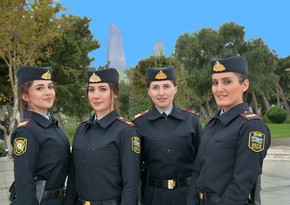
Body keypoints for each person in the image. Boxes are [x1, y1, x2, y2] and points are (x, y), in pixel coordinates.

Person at [187, 55, 271, 205]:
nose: (219, 89)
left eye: (227, 81)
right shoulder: (213, 123)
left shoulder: (251, 127)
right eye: (215, 83)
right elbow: (198, 171)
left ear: (244, 85)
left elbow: (241, 185)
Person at [64, 68, 140, 205]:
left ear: (115, 93)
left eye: (103, 89)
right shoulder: (82, 129)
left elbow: (131, 184)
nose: (95, 95)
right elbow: (73, 179)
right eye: (91, 89)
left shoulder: (125, 131)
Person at [132, 66, 203, 205]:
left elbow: (202, 161)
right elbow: (134, 166)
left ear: (175, 89)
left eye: (166, 86)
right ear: (148, 91)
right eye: (155, 87)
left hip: (187, 194)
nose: (161, 93)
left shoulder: (192, 121)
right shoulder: (138, 124)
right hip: (153, 196)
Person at [10, 66, 70, 205]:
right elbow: (24, 183)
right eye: (39, 88)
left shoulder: (52, 126)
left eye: (50, 87)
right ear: (25, 96)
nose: (48, 92)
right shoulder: (26, 131)